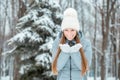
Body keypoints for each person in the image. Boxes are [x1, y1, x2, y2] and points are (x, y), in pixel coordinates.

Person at [51, 8, 92, 80]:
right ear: (63, 30)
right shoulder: (56, 43)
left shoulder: (85, 43)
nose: (69, 33)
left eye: (72, 30)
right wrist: (65, 53)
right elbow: (56, 68)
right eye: (66, 30)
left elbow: (85, 67)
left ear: (76, 30)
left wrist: (74, 52)